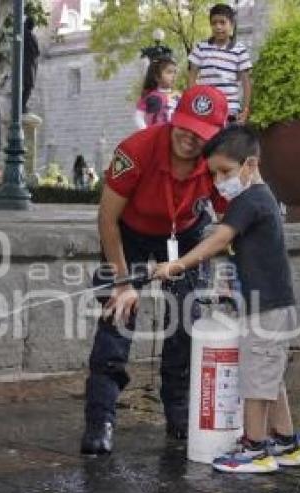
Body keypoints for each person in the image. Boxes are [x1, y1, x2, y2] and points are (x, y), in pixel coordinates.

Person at [80, 85, 229, 455]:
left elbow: (234, 216)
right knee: (117, 319)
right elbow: (107, 218)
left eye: (201, 134)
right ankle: (101, 419)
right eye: (184, 126)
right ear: (174, 117)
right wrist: (120, 281)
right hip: (128, 233)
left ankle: (179, 412)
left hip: (185, 235)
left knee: (186, 318)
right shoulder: (136, 150)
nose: (189, 138)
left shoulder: (218, 161)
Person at [152, 125, 300, 473]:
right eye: (214, 174)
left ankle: (255, 447)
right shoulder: (257, 199)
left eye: (225, 171)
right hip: (265, 304)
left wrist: (177, 263)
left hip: (267, 307)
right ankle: (285, 441)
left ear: (250, 165)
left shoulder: (251, 199)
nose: (220, 180)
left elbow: (220, 240)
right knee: (269, 375)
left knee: (256, 376)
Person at [188, 3, 253, 123]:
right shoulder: (201, 48)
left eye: (222, 22)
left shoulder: (239, 50)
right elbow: (192, 76)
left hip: (230, 110)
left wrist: (245, 109)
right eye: (214, 23)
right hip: (206, 107)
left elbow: (246, 82)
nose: (218, 27)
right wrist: (193, 101)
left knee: (229, 140)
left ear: (232, 25)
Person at [135, 55, 181, 129]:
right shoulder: (149, 96)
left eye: (175, 72)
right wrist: (146, 131)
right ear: (157, 77)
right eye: (169, 72)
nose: (173, 76)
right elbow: (139, 116)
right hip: (155, 134)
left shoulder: (178, 96)